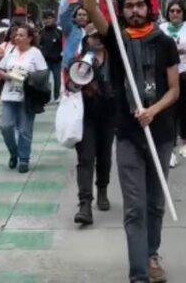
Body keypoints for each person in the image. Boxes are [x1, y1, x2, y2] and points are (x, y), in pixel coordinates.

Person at [84, 0, 180, 283]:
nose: (135, 10)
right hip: (127, 133)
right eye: (129, 6)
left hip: (162, 132)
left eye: (140, 5)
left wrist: (153, 110)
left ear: (148, 8)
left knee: (156, 204)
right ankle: (139, 272)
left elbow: (175, 89)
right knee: (135, 207)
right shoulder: (117, 40)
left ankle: (152, 254)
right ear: (121, 10)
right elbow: (89, 6)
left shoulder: (164, 42)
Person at [70, 31, 116, 226]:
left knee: (104, 156)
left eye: (99, 35)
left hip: (109, 114)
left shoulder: (115, 59)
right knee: (86, 158)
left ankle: (102, 189)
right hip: (86, 116)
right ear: (86, 39)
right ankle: (85, 204)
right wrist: (78, 83)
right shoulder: (81, 60)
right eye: (92, 36)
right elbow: (70, 84)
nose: (96, 39)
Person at [0, 23, 47, 174]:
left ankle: (24, 159)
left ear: (30, 38)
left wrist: (27, 77)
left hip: (27, 97)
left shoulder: (35, 53)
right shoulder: (10, 50)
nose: (17, 38)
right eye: (16, 35)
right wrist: (6, 75)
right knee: (6, 127)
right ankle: (14, 152)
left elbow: (43, 73)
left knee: (25, 130)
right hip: (9, 95)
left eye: (21, 35)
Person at [161, 0, 186, 168]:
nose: (175, 13)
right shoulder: (162, 29)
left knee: (184, 108)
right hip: (166, 73)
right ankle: (170, 149)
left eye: (178, 11)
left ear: (183, 13)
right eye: (172, 11)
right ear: (168, 13)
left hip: (185, 71)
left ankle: (184, 143)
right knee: (168, 110)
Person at [38, 11, 64, 102]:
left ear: (54, 19)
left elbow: (64, 45)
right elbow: (38, 45)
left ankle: (57, 97)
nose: (47, 21)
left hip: (57, 60)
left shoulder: (59, 32)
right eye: (45, 19)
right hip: (46, 61)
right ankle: (46, 97)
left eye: (49, 18)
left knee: (57, 80)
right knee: (45, 80)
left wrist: (62, 53)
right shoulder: (41, 32)